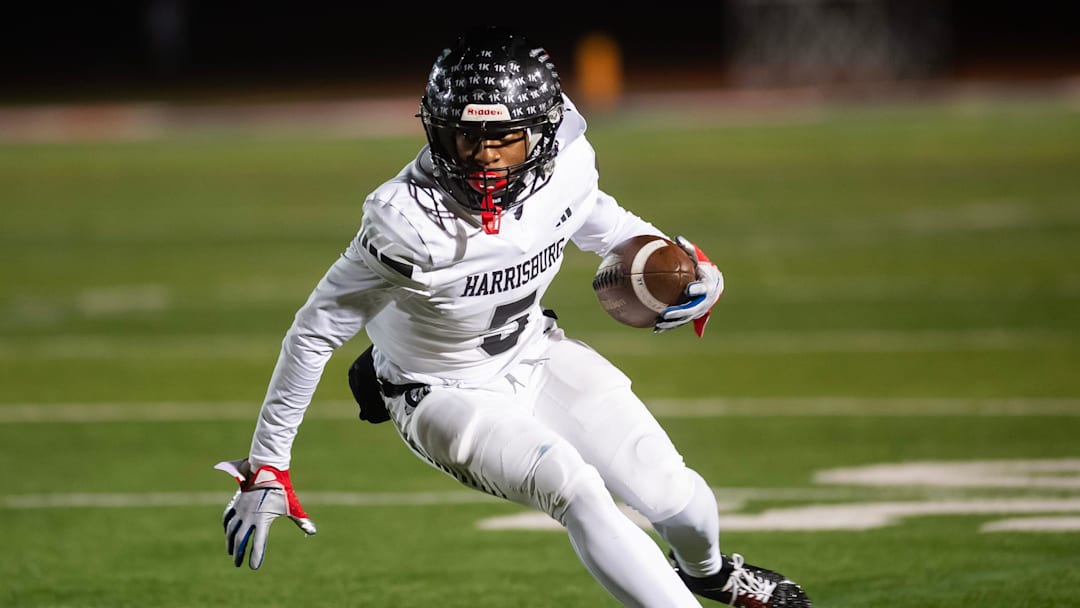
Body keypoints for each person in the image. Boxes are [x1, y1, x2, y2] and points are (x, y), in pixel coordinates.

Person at [215, 26, 812, 608]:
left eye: (504, 138)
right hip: (439, 390)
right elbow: (315, 332)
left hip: (533, 349)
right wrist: (269, 464)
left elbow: (603, 223)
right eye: (464, 138)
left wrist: (682, 265)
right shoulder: (407, 223)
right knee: (576, 491)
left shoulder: (567, 165)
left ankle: (711, 576)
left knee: (676, 497)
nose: (483, 159)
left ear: (544, 132)